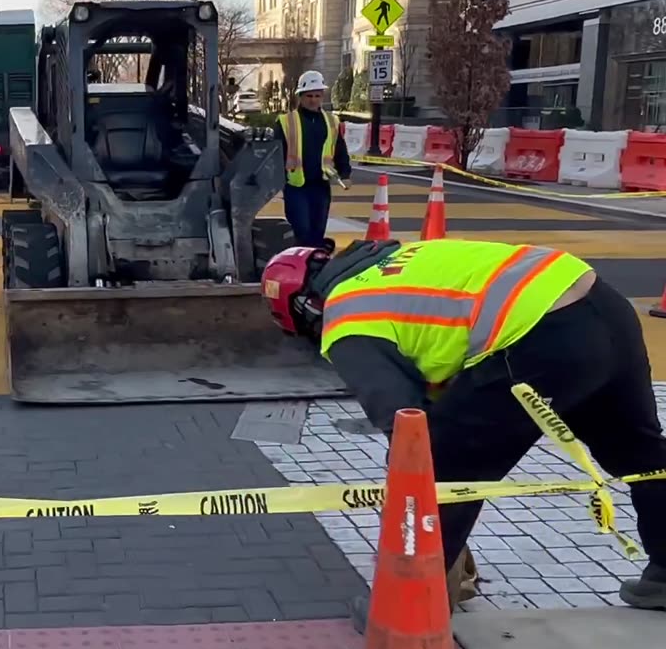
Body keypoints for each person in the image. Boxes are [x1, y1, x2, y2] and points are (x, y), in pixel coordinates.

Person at [260, 237, 666, 624]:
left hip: (540, 334)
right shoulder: (396, 261)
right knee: (641, 455)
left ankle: (410, 607)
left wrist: (423, 479)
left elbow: (408, 425)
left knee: (440, 466)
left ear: (301, 309)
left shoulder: (346, 318)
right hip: (599, 301)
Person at [273, 71, 352, 248]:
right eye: (309, 95)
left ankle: (314, 266)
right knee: (302, 230)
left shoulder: (332, 121)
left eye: (317, 95)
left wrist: (345, 172)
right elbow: (276, 153)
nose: (313, 100)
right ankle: (300, 267)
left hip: (320, 185)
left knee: (318, 231)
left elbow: (339, 149)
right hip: (296, 185)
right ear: (300, 96)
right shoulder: (287, 121)